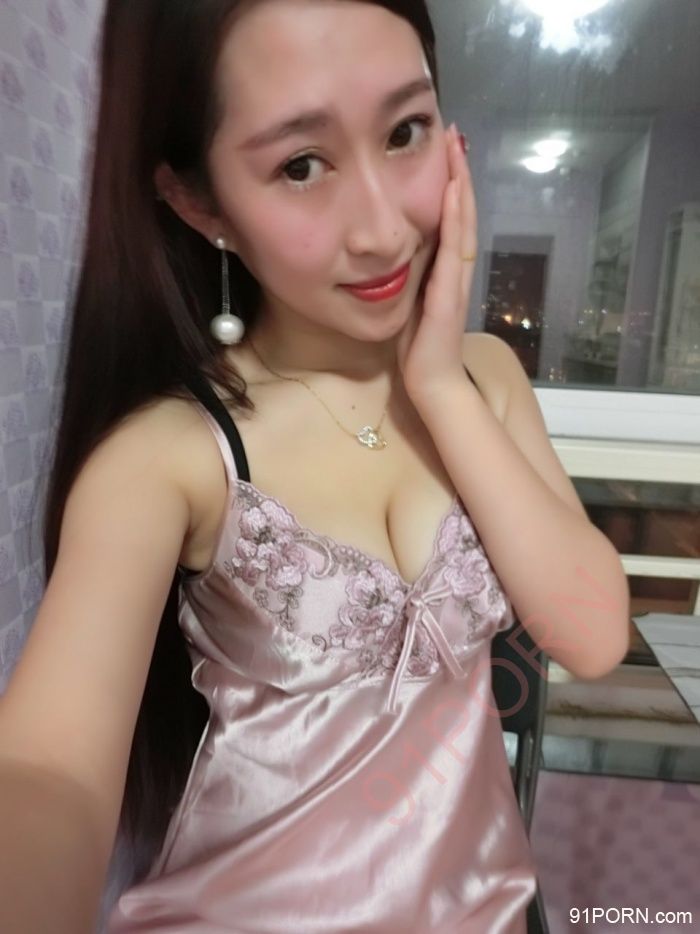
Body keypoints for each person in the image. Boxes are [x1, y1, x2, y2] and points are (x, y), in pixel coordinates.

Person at [0, 0, 631, 931]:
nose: (382, 229)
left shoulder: (484, 381)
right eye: (301, 165)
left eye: (405, 132)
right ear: (200, 202)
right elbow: (46, 779)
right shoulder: (174, 455)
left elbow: (592, 634)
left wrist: (440, 386)